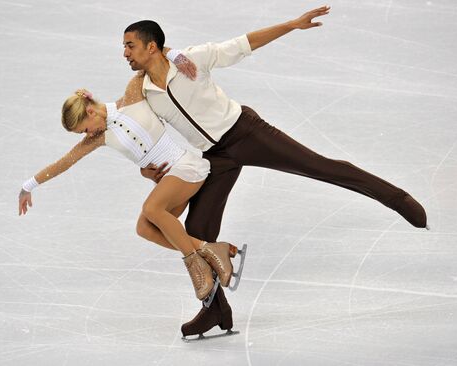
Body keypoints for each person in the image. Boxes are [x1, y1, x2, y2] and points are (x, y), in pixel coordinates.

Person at [122, 5, 428, 339]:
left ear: (152, 47)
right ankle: (216, 311)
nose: (125, 53)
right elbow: (140, 133)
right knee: (197, 230)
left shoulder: (191, 59)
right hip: (214, 157)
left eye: (130, 46)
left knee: (316, 165)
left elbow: (243, 44)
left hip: (246, 133)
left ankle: (396, 198)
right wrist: (146, 169)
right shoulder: (144, 92)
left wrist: (292, 25)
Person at [17, 73, 245, 305]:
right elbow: (64, 162)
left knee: (151, 208)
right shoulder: (99, 138)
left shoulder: (132, 95)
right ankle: (211, 250)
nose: (88, 135)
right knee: (144, 227)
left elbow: (151, 57)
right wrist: (28, 186)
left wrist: (175, 55)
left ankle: (199, 269)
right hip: (170, 181)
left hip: (186, 168)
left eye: (84, 130)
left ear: (90, 112)